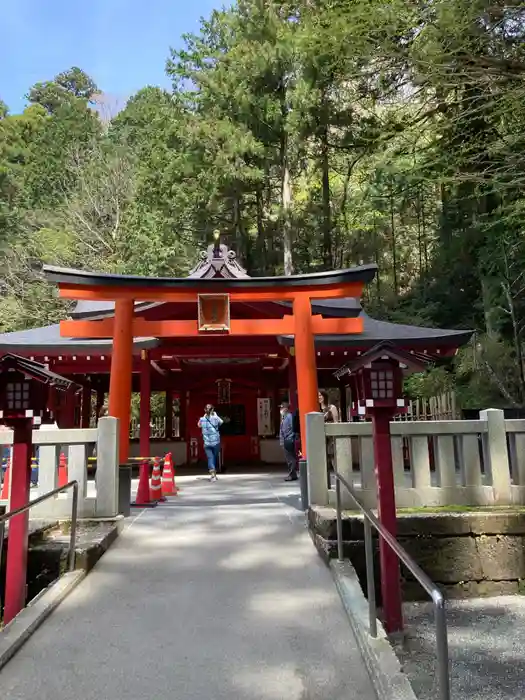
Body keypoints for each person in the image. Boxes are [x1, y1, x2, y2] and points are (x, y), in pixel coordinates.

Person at [198, 404, 223, 482]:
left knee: (210, 458)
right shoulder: (215, 418)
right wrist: (214, 414)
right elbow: (221, 422)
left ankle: (213, 474)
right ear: (212, 410)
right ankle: (213, 473)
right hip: (216, 442)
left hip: (207, 443)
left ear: (205, 410)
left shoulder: (202, 419)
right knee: (214, 457)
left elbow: (199, 425)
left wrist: (204, 415)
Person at [319, 390, 339, 480]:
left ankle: (337, 474)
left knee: (332, 455)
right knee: (323, 456)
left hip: (331, 435)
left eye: (320, 395)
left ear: (324, 396)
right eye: (318, 396)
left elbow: (336, 422)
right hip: (321, 435)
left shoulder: (331, 407)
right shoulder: (317, 409)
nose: (319, 397)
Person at [280, 401, 297, 481]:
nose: (281, 409)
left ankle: (292, 474)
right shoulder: (284, 417)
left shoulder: (289, 417)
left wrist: (291, 437)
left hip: (289, 439)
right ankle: (292, 474)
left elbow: (293, 428)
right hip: (285, 440)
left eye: (282, 407)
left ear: (286, 408)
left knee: (291, 458)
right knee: (288, 458)